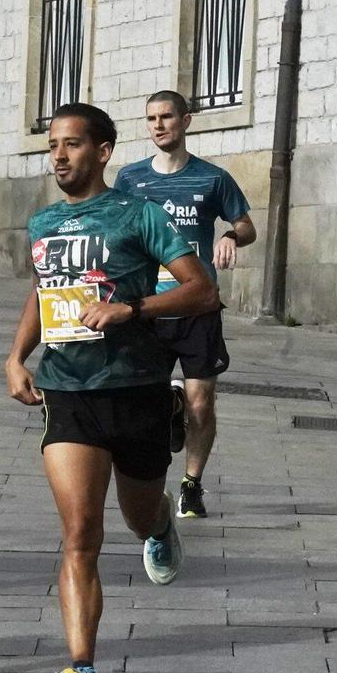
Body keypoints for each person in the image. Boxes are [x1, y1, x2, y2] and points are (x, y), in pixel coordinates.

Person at [3, 103, 215, 673]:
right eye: (53, 145)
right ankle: (83, 672)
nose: (59, 156)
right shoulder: (42, 222)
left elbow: (202, 289)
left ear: (102, 151)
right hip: (68, 393)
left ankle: (158, 525)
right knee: (79, 534)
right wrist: (17, 355)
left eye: (72, 145)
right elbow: (44, 294)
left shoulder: (138, 215)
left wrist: (134, 309)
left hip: (138, 387)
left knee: (136, 512)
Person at [113, 90, 256, 521]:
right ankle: (168, 410)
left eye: (167, 117)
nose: (159, 125)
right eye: (151, 118)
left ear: (186, 121)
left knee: (202, 402)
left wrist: (232, 236)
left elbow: (246, 225)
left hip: (198, 308)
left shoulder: (212, 179)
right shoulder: (131, 180)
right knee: (146, 401)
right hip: (149, 306)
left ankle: (191, 485)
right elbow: (117, 230)